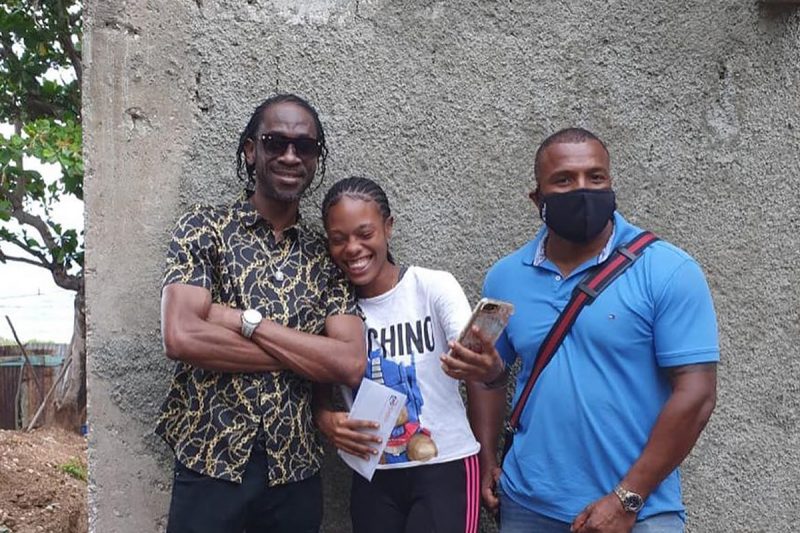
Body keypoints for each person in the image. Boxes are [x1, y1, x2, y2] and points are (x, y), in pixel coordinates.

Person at [449, 128, 719, 533]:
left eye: (596, 177)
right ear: (537, 199)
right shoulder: (505, 277)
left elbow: (697, 396)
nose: (582, 189)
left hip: (639, 512)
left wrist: (627, 498)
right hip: (526, 505)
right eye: (563, 180)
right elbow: (485, 376)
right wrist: (487, 457)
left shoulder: (668, 270)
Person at [158, 93, 365, 533]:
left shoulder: (326, 255)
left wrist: (242, 321)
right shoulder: (204, 227)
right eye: (275, 142)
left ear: (315, 158)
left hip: (295, 469)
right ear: (251, 151)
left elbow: (348, 362)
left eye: (304, 146)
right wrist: (307, 355)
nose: (290, 155)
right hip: (209, 459)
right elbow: (182, 336)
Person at [313, 176, 499, 533]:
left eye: (365, 234)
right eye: (338, 239)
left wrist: (483, 363)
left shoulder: (430, 286)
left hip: (444, 467)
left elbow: (473, 355)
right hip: (373, 474)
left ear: (388, 227)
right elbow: (318, 378)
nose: (353, 248)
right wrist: (325, 418)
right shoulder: (334, 308)